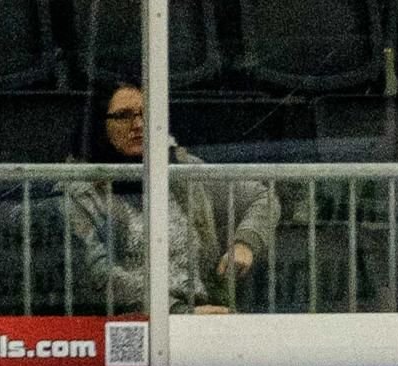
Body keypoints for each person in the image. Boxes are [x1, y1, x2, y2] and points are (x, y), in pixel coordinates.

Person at [65, 80, 279, 315]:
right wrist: (178, 312)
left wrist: (245, 243)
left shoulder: (179, 166)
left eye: (145, 113)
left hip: (205, 310)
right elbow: (100, 276)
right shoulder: (79, 190)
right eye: (124, 116)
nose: (138, 124)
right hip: (134, 321)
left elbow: (262, 198)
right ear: (99, 125)